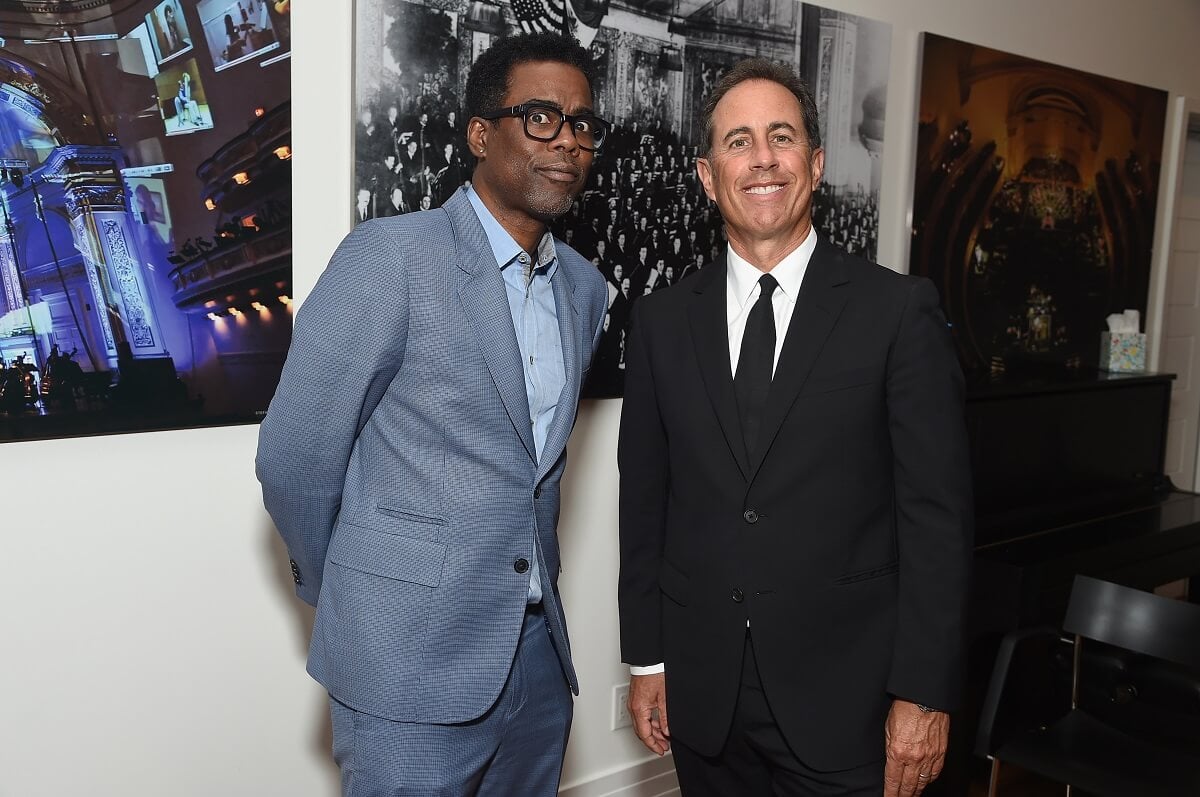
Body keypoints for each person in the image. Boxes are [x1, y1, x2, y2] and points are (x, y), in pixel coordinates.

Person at [256, 32, 609, 796]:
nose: (568, 142)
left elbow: (530, 468)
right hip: (405, 661)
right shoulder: (392, 257)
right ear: (482, 134)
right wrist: (360, 586)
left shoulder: (584, 288)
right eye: (542, 117)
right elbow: (294, 456)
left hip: (539, 660)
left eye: (583, 123)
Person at [617, 58, 972, 797]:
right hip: (704, 698)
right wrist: (646, 661)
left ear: (813, 163)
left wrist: (923, 694)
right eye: (738, 141)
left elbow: (937, 521)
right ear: (708, 176)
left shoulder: (897, 313)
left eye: (781, 137)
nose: (762, 158)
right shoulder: (659, 323)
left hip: (849, 704)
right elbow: (643, 505)